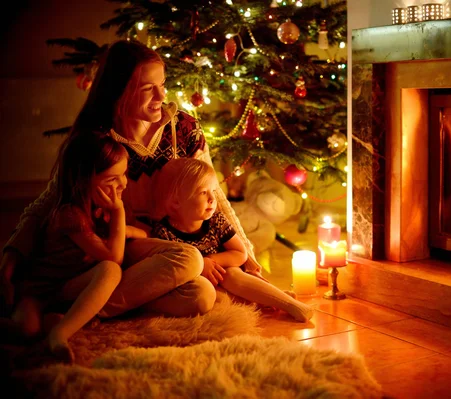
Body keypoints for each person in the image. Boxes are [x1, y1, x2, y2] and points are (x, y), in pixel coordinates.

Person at [0, 39, 259, 320]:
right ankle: (85, 306)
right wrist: (12, 255)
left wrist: (247, 251)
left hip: (167, 247)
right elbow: (49, 201)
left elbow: (215, 194)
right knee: (190, 261)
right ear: (119, 91)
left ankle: (92, 305)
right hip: (121, 248)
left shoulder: (183, 129)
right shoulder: (98, 142)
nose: (161, 96)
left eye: (163, 84)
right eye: (148, 89)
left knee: (201, 296)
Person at [1, 134, 131, 363]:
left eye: (123, 174)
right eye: (112, 179)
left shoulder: (95, 207)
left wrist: (127, 229)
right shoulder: (69, 215)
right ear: (82, 180)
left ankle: (58, 327)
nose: (123, 184)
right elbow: (114, 255)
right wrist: (119, 213)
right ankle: (56, 331)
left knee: (107, 271)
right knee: (26, 332)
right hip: (38, 290)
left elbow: (135, 235)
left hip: (67, 287)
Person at [152, 158, 314, 322]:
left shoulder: (215, 220)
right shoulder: (164, 233)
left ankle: (290, 304)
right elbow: (170, 272)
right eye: (202, 192)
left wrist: (211, 260)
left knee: (231, 274)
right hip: (198, 285)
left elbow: (240, 253)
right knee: (217, 298)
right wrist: (200, 265)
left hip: (226, 274)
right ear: (175, 203)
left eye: (213, 191)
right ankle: (269, 299)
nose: (212, 199)